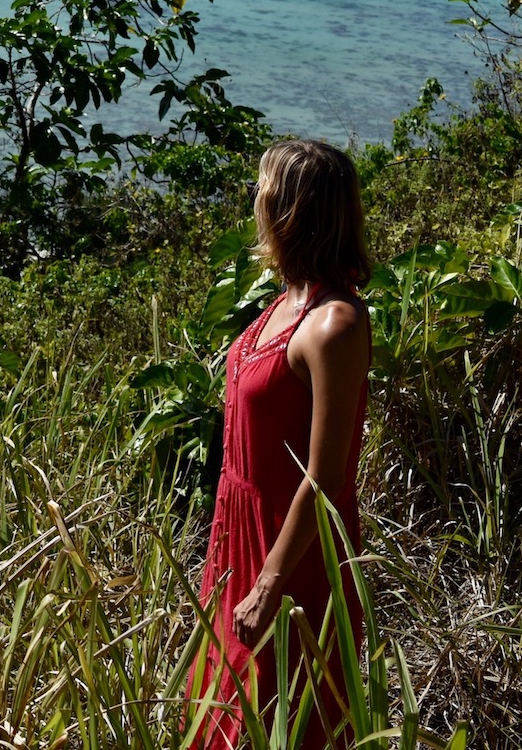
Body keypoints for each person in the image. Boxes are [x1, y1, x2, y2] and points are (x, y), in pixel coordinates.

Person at [191, 139, 374, 748]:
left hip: (291, 553)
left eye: (262, 191)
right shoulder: (284, 302)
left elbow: (326, 478)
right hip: (240, 533)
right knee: (223, 709)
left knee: (283, 717)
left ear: (292, 208)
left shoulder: (334, 323)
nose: (255, 202)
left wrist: (269, 583)